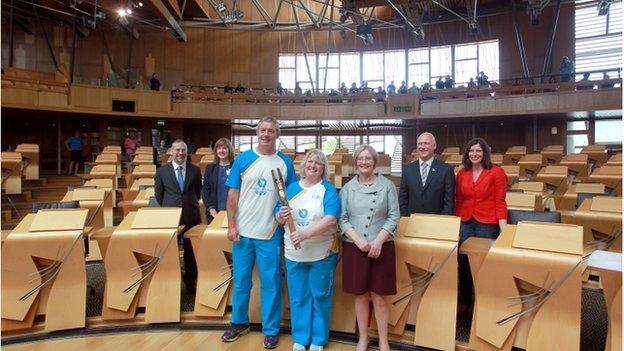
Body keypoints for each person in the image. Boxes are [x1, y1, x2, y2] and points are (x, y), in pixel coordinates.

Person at [222, 117, 297, 349]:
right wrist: (232, 225)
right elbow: (232, 195)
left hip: (270, 234)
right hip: (243, 234)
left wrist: (283, 213)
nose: (266, 134)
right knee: (242, 281)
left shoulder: (285, 163)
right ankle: (239, 322)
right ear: (257, 132)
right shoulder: (244, 159)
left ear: (278, 134)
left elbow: (290, 196)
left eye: (271, 131)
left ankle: (271, 329)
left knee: (271, 283)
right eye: (263, 130)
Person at [275, 149, 340, 351]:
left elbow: (331, 219)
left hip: (322, 254)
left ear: (323, 169)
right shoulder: (291, 188)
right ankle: (301, 338)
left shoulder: (328, 190)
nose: (313, 165)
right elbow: (278, 216)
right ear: (304, 166)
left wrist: (304, 234)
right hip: (294, 255)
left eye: (318, 163)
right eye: (310, 162)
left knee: (320, 296)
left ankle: (318, 340)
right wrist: (281, 216)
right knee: (299, 296)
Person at [339, 145, 400, 351]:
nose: (364, 162)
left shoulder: (388, 186)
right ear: (355, 161)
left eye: (368, 159)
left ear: (375, 162)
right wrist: (358, 241)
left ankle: (383, 341)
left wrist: (378, 241)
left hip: (381, 247)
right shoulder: (347, 188)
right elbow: (343, 219)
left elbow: (394, 216)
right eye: (360, 159)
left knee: (379, 296)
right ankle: (363, 338)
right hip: (355, 247)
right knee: (361, 295)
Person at [455, 138, 507, 309]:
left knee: (484, 264)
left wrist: (504, 230)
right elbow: (460, 201)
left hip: (487, 223)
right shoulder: (462, 173)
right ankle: (465, 301)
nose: (474, 154)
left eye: (478, 151)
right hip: (465, 222)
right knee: (463, 262)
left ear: (484, 153)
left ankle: (484, 303)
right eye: (471, 151)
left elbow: (500, 201)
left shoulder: (496, 172)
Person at [154, 139, 203, 292]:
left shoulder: (195, 170)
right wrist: (169, 208)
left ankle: (190, 282)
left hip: (191, 215)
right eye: (177, 150)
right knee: (170, 250)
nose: (181, 153)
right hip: (171, 216)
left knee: (191, 251)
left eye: (183, 150)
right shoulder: (162, 171)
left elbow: (198, 192)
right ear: (171, 152)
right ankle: (172, 283)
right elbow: (159, 194)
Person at [399, 132, 455, 216]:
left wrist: (444, 220)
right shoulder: (407, 170)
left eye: (426, 143)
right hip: (412, 221)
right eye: (420, 144)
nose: (422, 147)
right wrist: (404, 218)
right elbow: (403, 198)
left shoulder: (446, 170)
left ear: (434, 146)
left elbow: (449, 200)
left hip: (436, 221)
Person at [202, 138, 234, 223]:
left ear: (229, 150)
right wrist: (212, 211)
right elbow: (205, 191)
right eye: (219, 148)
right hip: (214, 213)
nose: (221, 151)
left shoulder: (236, 167)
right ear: (216, 151)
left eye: (224, 148)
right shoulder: (210, 168)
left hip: (234, 213)